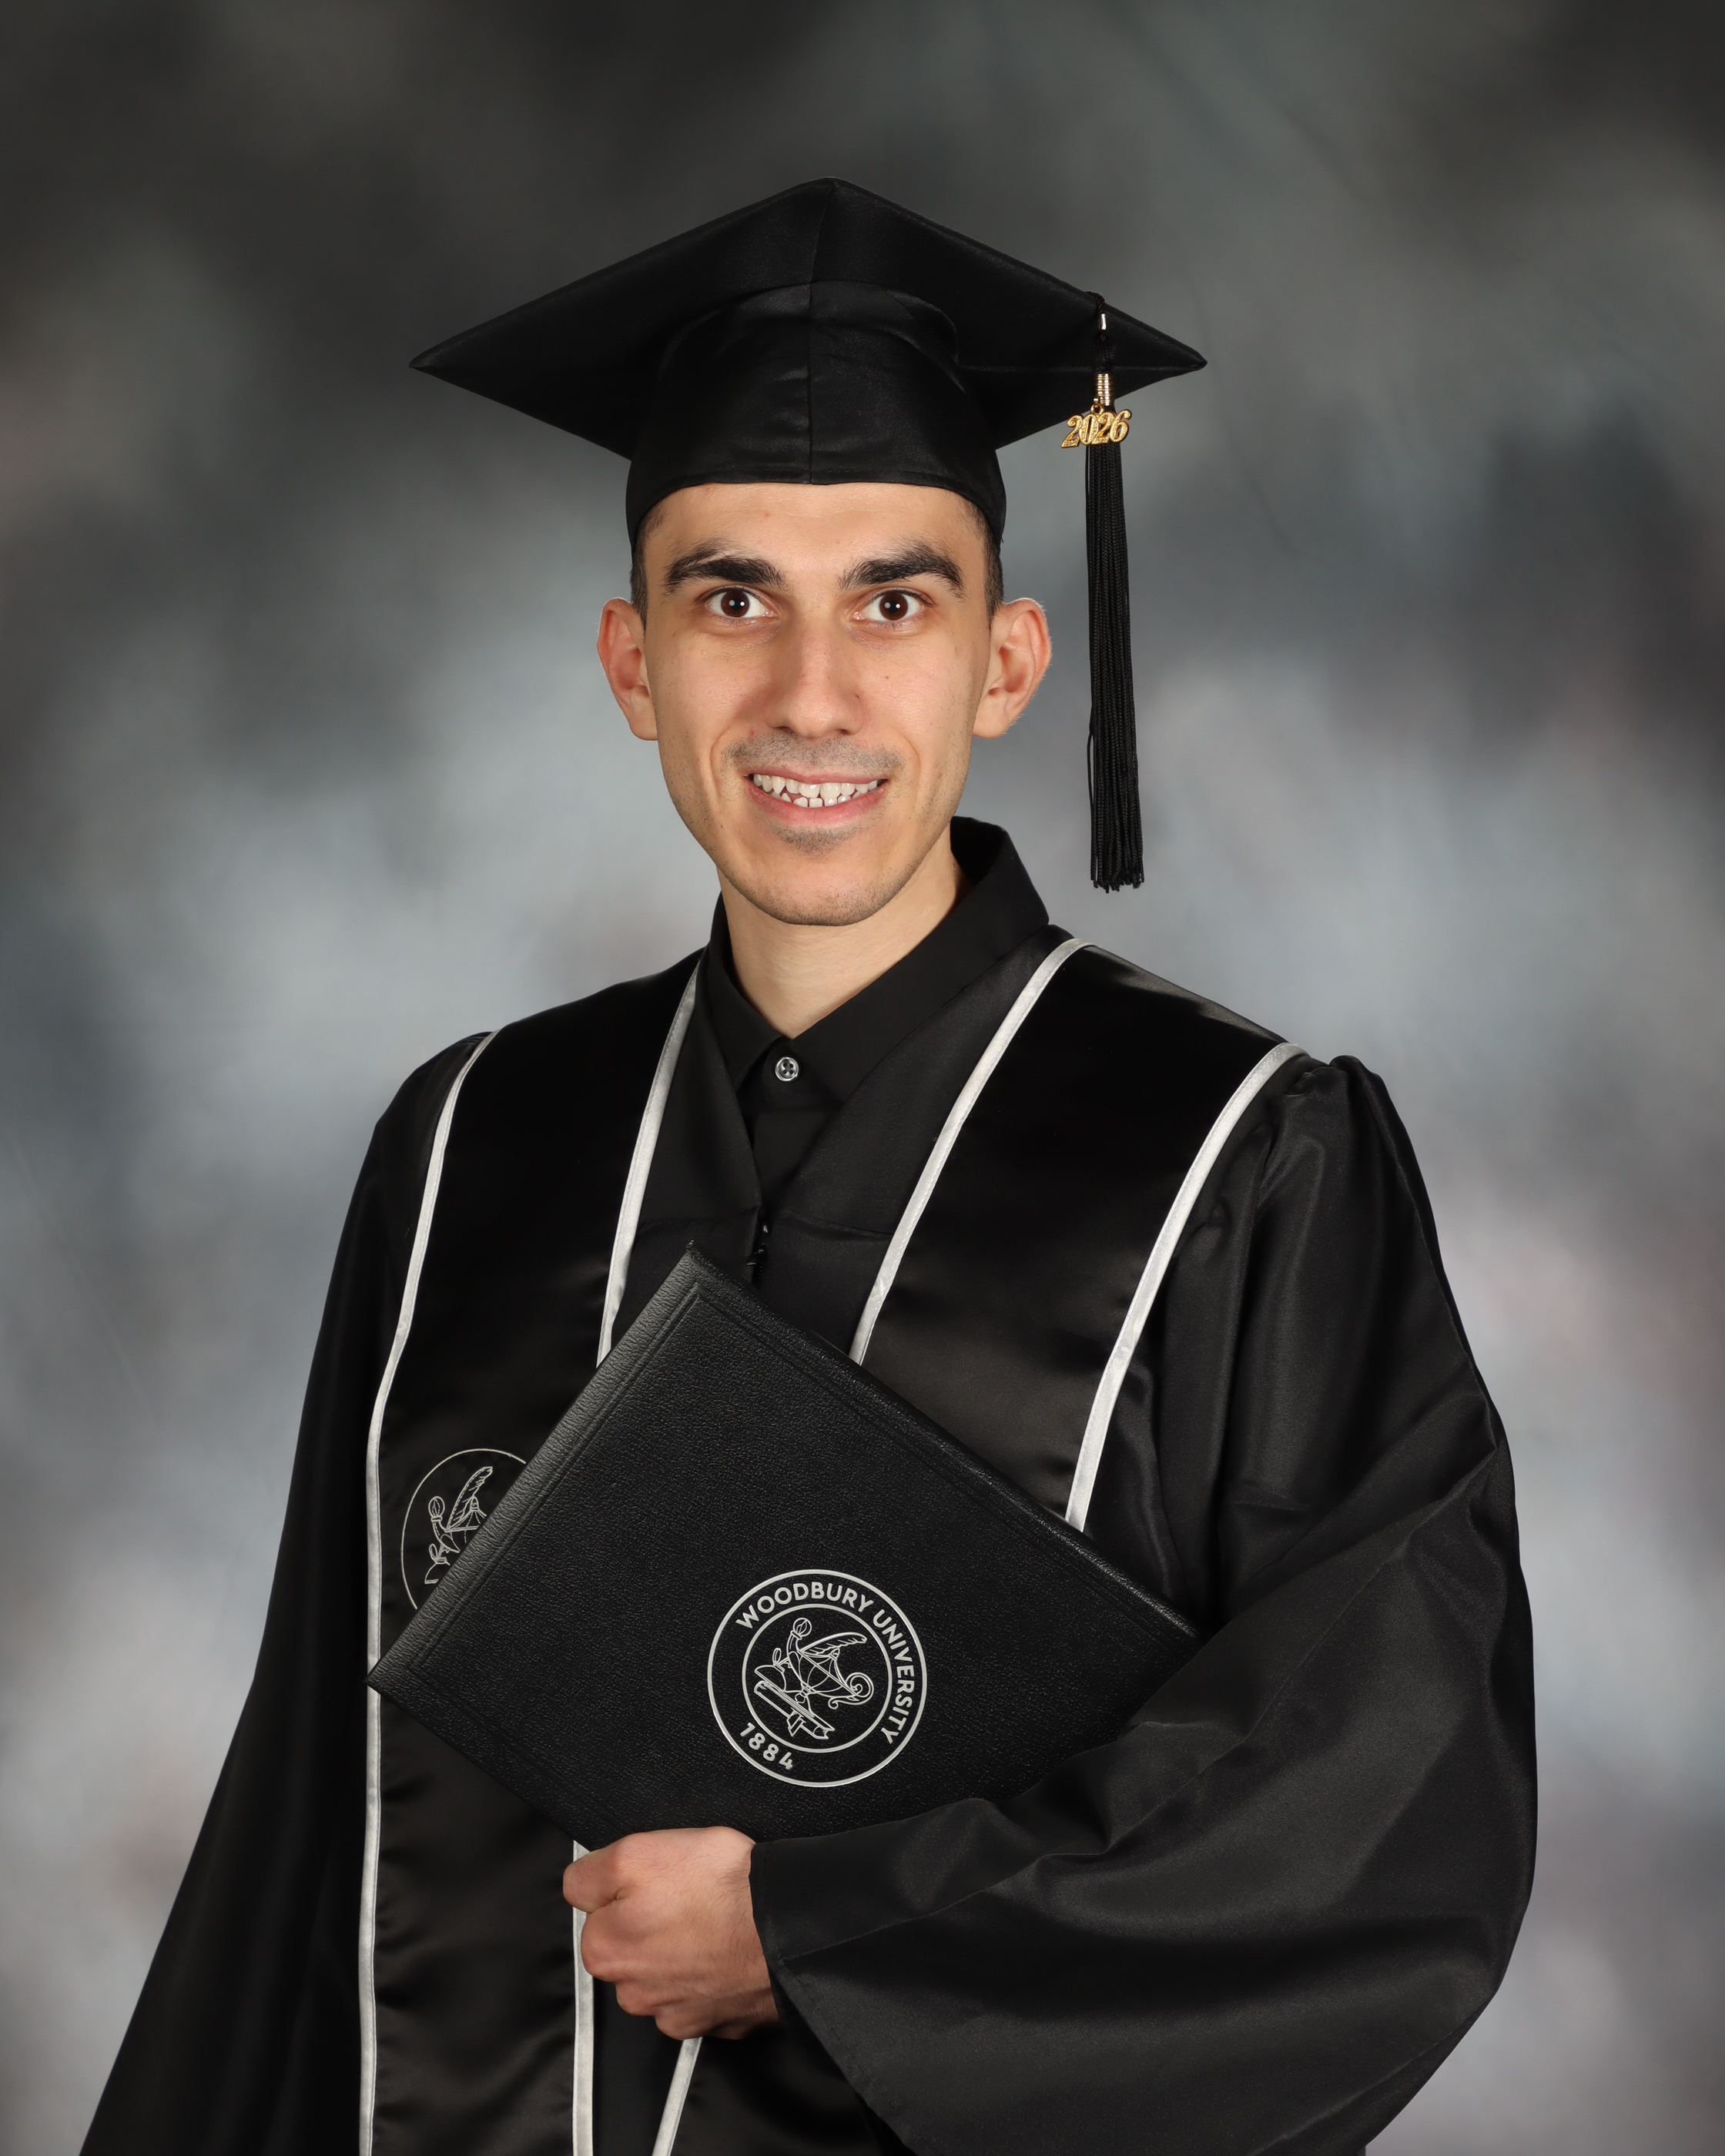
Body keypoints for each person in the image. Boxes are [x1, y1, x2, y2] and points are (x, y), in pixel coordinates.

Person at [83, 179, 1535, 2156]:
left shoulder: (1245, 1163)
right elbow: (301, 1827)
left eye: (894, 601)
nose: (811, 693)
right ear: (633, 662)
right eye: (731, 598)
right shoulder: (469, 1144)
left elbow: (1373, 1801)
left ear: (1006, 660)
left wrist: (821, 1921)